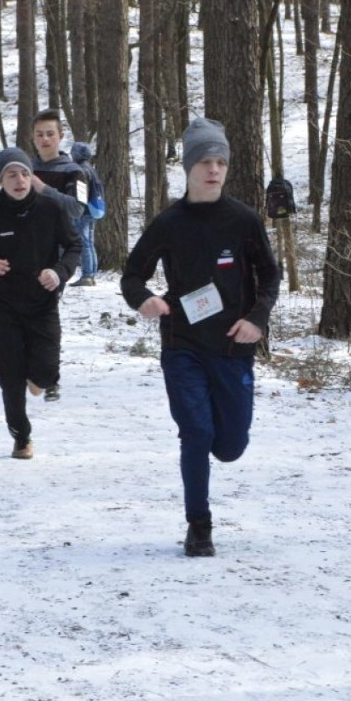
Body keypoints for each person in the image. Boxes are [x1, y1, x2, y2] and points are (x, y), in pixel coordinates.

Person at [120, 117, 280, 557]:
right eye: (205, 162)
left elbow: (270, 274)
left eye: (220, 162)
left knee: (229, 447)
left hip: (232, 346)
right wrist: (144, 300)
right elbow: (132, 274)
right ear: (189, 167)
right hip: (183, 345)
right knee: (195, 432)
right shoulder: (169, 223)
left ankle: (218, 452)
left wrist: (257, 320)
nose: (213, 170)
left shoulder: (243, 220)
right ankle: (199, 525)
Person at [0, 148, 81, 460]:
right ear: (1, 181)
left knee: (45, 374)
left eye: (25, 173)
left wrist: (58, 273)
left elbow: (74, 246)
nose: (20, 180)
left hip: (42, 302)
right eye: (12, 174)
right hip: (3, 306)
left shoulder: (50, 210)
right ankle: (21, 436)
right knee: (10, 375)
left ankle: (39, 379)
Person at [30, 108, 90, 393]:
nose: (45, 139)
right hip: (26, 251)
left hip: (60, 251)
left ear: (61, 137)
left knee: (46, 311)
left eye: (50, 134)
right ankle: (36, 371)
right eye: (40, 134)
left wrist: (44, 190)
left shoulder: (74, 172)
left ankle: (48, 375)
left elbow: (78, 208)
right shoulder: (24, 168)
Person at [70, 141, 105, 288]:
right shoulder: (91, 168)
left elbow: (81, 194)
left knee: (84, 243)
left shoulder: (80, 170)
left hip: (83, 212)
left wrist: (76, 208)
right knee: (89, 242)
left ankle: (87, 275)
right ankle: (91, 273)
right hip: (93, 210)